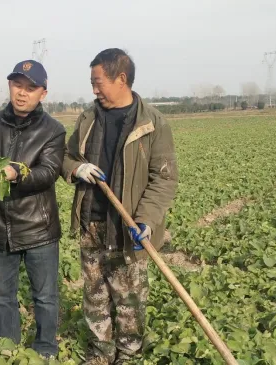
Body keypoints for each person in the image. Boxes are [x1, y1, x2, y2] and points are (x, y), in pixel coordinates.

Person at [61, 48, 178, 365]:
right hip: (93, 222)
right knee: (95, 292)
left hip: (130, 227)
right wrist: (76, 169)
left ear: (121, 78)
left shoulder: (151, 124)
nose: (94, 89)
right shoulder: (88, 118)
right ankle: (101, 351)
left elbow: (164, 179)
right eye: (92, 82)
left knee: (129, 297)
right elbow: (67, 156)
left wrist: (147, 221)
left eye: (98, 82)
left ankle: (128, 353)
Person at [0, 59, 66, 359]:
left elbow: (48, 172)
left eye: (30, 88)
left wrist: (17, 174)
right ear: (9, 86)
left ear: (42, 94)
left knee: (45, 296)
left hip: (38, 228)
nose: (22, 93)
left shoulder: (53, 130)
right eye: (17, 85)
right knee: (1, 296)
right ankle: (6, 345)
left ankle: (46, 348)